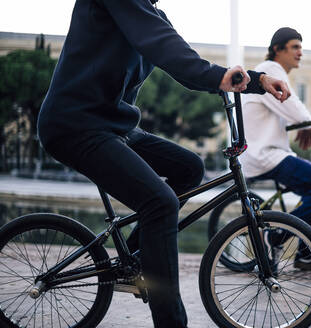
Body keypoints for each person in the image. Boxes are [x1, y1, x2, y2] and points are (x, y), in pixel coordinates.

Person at [37, 1, 290, 327]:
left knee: (190, 168)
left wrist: (254, 80)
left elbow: (180, 58)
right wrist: (221, 78)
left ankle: (134, 259)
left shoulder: (151, 14)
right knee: (160, 203)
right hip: (75, 124)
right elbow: (166, 49)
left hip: (116, 127)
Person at [241, 27, 311, 270]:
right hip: (264, 155)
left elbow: (289, 108)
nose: (300, 53)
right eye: (295, 47)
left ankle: (307, 255)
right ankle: (276, 236)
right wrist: (306, 122)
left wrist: (303, 122)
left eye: (301, 48)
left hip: (263, 154)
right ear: (278, 49)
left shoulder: (268, 71)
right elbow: (292, 104)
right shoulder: (270, 70)